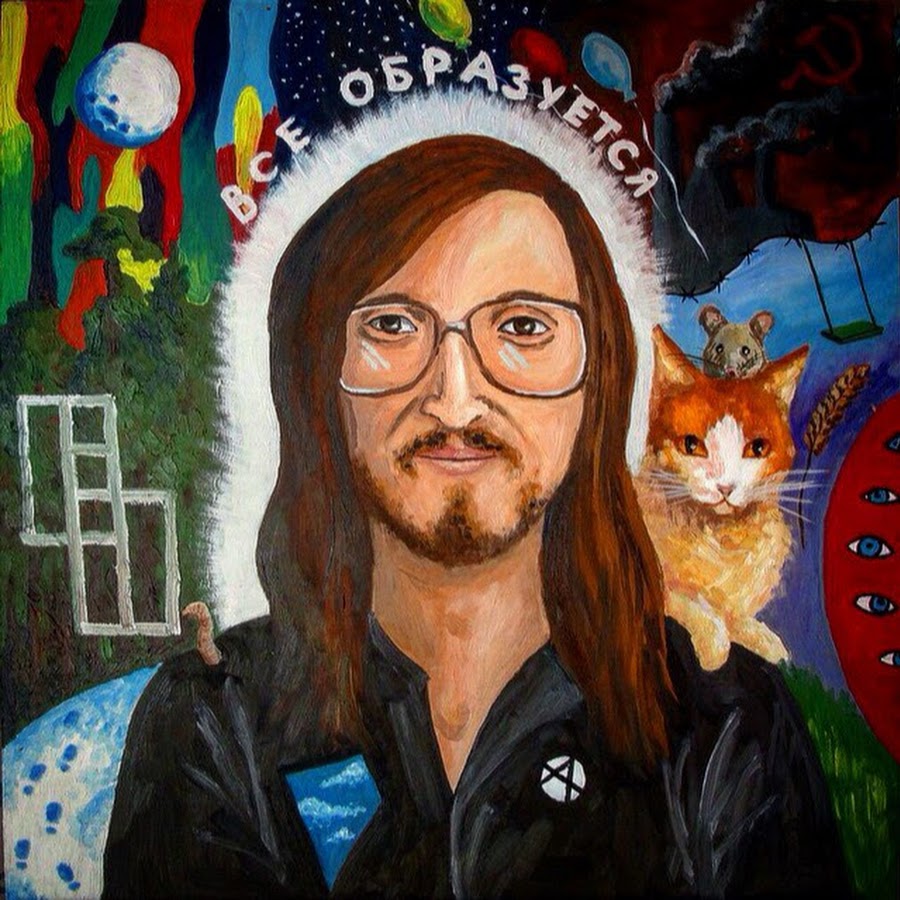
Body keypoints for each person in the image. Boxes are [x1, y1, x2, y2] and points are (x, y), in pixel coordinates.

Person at [103, 116, 846, 897]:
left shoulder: (726, 725)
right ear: (318, 373)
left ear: (599, 381)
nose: (455, 400)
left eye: (523, 327)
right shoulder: (214, 722)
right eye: (392, 325)